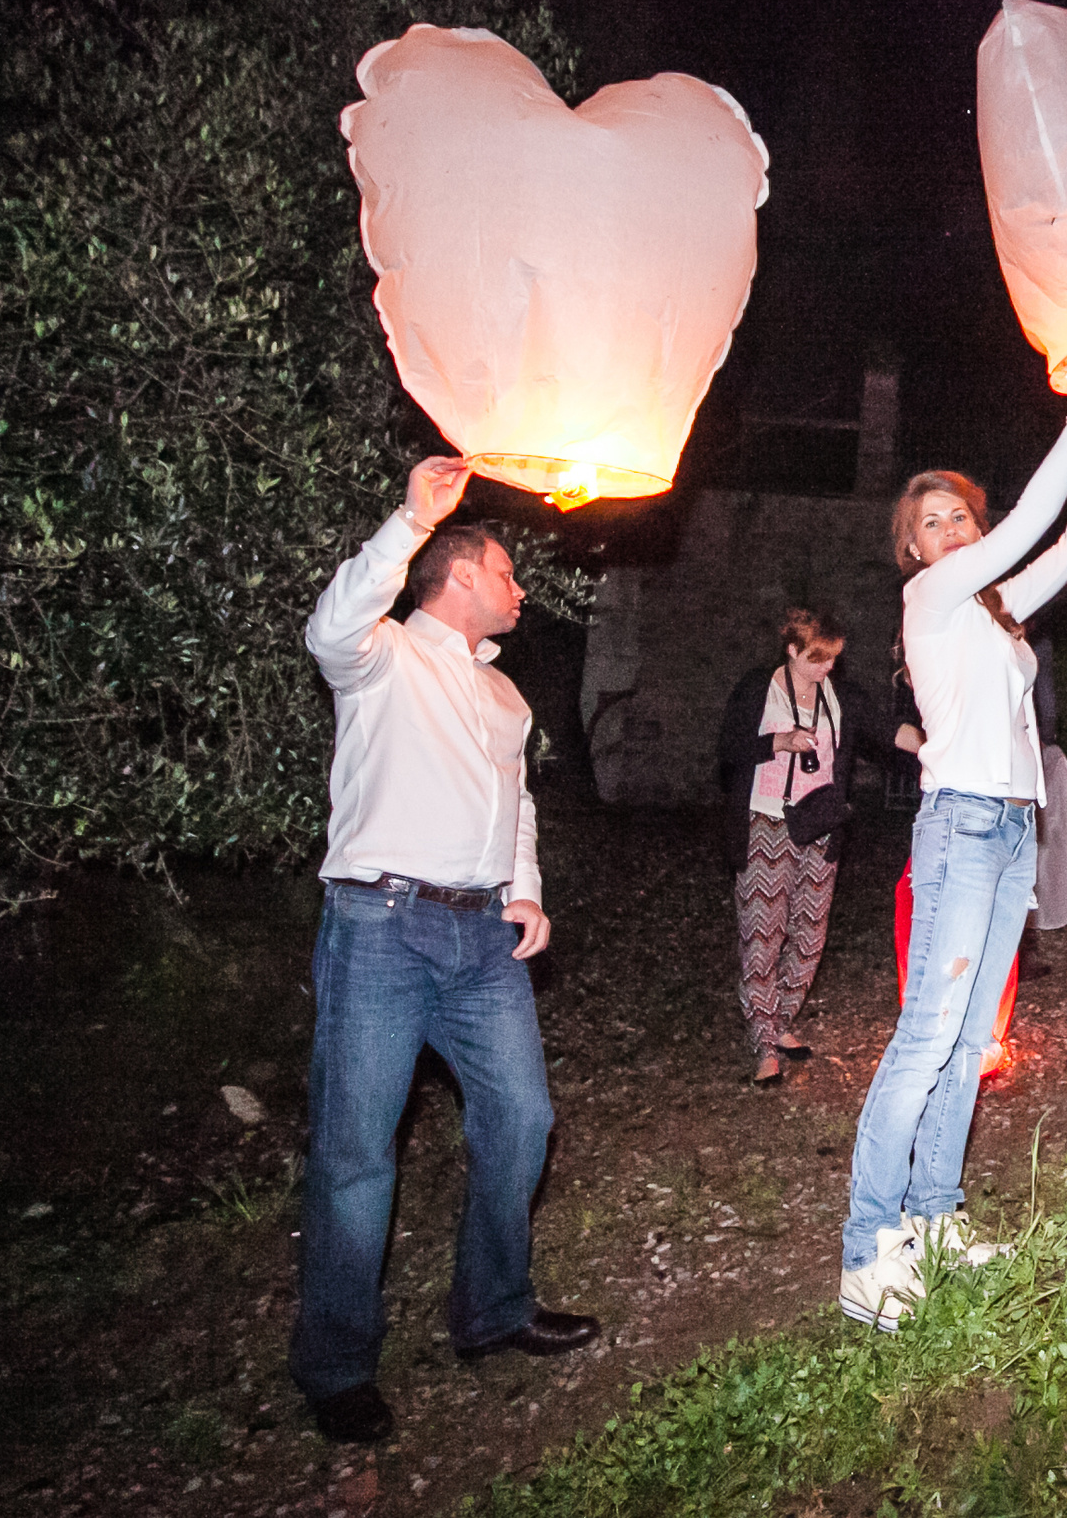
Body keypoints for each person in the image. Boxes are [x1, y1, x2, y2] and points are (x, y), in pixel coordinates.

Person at [291, 457, 596, 1446]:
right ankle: (337, 1366)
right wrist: (409, 522)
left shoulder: (507, 700)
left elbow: (518, 810)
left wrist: (527, 892)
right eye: (507, 574)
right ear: (458, 576)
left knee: (522, 1118)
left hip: (479, 938)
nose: (519, 591)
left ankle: (493, 1310)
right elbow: (326, 626)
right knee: (356, 1156)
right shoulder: (380, 655)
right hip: (378, 927)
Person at [838, 336, 1067, 1332]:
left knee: (970, 1046)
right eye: (932, 522)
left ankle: (936, 1216)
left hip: (1011, 833)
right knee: (926, 1036)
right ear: (912, 551)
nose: (951, 527)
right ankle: (869, 1248)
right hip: (960, 827)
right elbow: (1032, 525)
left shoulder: (999, 617)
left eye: (961, 513)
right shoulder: (932, 598)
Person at [716, 609, 869, 1084]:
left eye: (834, 658)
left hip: (820, 822)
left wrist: (931, 745)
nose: (828, 667)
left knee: (810, 932)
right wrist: (777, 741)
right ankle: (764, 1041)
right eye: (819, 658)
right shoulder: (758, 688)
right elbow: (728, 749)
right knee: (764, 931)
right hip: (766, 819)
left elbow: (883, 731)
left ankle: (781, 1021)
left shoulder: (838, 694)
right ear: (792, 651)